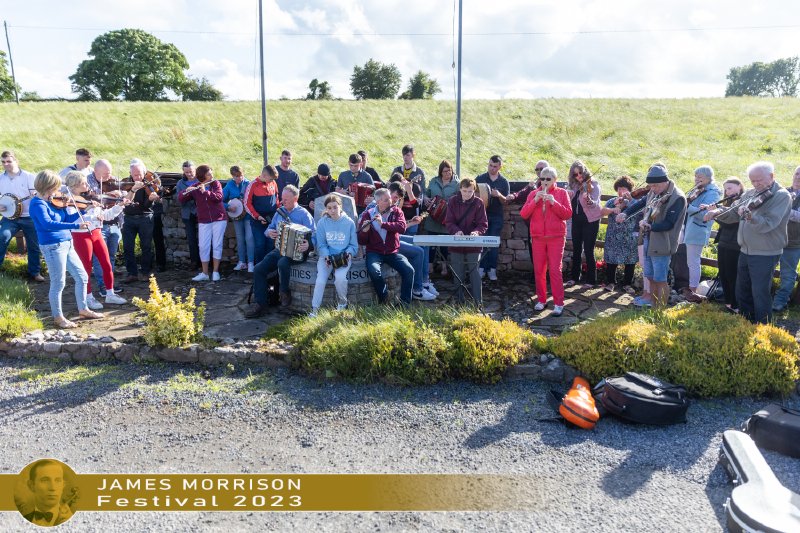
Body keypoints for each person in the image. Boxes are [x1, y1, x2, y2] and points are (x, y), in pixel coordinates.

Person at [28, 170, 103, 328]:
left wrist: (84, 209)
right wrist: (76, 226)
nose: (58, 190)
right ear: (47, 186)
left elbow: (67, 218)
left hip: (67, 243)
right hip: (52, 246)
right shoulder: (37, 204)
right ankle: (58, 317)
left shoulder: (53, 201)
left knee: (82, 277)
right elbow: (48, 224)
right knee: (58, 283)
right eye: (55, 187)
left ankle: (83, 309)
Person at [617, 164, 686, 308]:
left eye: (655, 186)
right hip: (648, 239)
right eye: (651, 186)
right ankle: (653, 305)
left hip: (663, 243)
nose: (652, 189)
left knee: (660, 279)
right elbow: (642, 202)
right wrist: (626, 213)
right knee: (650, 276)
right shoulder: (654, 192)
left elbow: (670, 223)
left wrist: (650, 226)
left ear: (664, 181)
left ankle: (659, 310)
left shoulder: (677, 197)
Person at [730, 162, 791, 323]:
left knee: (760, 292)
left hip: (765, 252)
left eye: (759, 180)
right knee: (742, 290)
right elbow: (734, 210)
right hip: (745, 250)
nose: (756, 184)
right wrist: (717, 211)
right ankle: (746, 323)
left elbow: (769, 223)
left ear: (771, 176)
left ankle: (763, 326)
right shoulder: (751, 193)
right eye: (752, 181)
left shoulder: (782, 196)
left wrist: (751, 217)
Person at [246, 185, 315, 317]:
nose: (282, 202)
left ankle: (284, 293)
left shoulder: (304, 214)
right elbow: (269, 228)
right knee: (259, 269)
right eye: (282, 198)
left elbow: (315, 234)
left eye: (286, 199)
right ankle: (261, 305)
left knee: (282, 262)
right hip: (280, 249)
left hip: (297, 252)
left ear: (295, 199)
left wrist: (309, 244)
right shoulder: (279, 212)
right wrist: (269, 232)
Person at [63, 171, 127, 309]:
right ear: (75, 185)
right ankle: (88, 297)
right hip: (81, 235)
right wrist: (89, 211)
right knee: (86, 267)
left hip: (96, 233)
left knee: (106, 263)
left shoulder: (90, 197)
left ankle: (110, 294)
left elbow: (106, 216)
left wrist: (119, 206)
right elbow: (72, 220)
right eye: (84, 183)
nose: (87, 185)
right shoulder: (68, 201)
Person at [520, 166, 573, 316]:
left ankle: (558, 303)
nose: (544, 181)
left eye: (548, 179)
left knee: (555, 270)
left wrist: (554, 202)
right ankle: (541, 300)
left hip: (556, 237)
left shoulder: (561, 193)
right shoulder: (533, 194)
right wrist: (535, 201)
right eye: (542, 178)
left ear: (555, 180)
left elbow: (567, 214)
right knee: (539, 270)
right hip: (538, 237)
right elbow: (524, 214)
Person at [357, 188, 415, 305]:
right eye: (386, 199)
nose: (390, 201)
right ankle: (384, 298)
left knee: (409, 270)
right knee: (374, 271)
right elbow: (361, 241)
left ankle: (404, 303)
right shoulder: (368, 214)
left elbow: (402, 227)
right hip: (374, 252)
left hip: (392, 252)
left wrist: (383, 224)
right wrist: (365, 231)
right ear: (378, 202)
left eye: (389, 198)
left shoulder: (396, 211)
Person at [383, 182, 436, 300]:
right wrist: (410, 223)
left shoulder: (393, 207)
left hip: (395, 236)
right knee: (418, 251)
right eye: (395, 197)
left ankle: (424, 281)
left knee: (424, 243)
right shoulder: (381, 205)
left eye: (398, 198)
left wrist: (412, 222)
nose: (396, 200)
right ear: (388, 192)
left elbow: (398, 227)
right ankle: (417, 289)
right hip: (388, 242)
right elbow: (389, 229)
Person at [701, 177, 746, 313]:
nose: (727, 192)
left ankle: (735, 304)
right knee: (724, 274)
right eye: (726, 189)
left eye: (730, 188)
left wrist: (715, 213)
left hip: (735, 244)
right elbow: (724, 222)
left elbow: (731, 223)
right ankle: (728, 302)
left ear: (740, 186)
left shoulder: (743, 202)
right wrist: (714, 211)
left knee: (732, 275)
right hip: (724, 242)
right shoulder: (728, 202)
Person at [310, 194, 358, 317]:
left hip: (343, 257)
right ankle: (314, 310)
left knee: (340, 278)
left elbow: (353, 245)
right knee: (320, 281)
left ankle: (342, 303)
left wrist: (349, 254)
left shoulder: (349, 223)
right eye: (329, 208)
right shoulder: (322, 223)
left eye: (335, 207)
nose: (332, 211)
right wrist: (326, 256)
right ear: (326, 209)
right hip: (326, 257)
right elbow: (321, 244)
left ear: (340, 206)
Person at [0, 150, 43, 281]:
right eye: (3, 162)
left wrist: (36, 196)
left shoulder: (29, 177)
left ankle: (34, 273)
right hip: (10, 217)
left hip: (29, 216)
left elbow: (39, 195)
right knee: (2, 237)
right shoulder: (1, 178)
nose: (6, 164)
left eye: (9, 161)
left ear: (16, 161)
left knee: (34, 245)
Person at [179, 165, 226, 282]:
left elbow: (219, 197)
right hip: (204, 220)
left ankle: (215, 271)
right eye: (209, 174)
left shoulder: (216, 184)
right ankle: (204, 273)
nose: (212, 175)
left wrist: (206, 192)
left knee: (217, 245)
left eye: (211, 173)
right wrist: (186, 191)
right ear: (202, 176)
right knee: (203, 246)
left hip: (219, 218)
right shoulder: (195, 186)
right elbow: (180, 199)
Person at [445, 177, 488, 305]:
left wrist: (477, 232)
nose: (467, 194)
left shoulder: (479, 203)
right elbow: (449, 221)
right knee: (457, 274)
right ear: (460, 189)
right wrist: (456, 231)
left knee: (475, 274)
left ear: (474, 190)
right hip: (456, 243)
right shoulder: (452, 201)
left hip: (474, 244)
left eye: (470, 191)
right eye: (464, 191)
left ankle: (477, 303)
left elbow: (483, 223)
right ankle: (459, 303)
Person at [85, 159, 125, 298]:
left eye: (109, 173)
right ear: (95, 171)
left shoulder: (113, 180)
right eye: (105, 174)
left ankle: (110, 284)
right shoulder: (87, 181)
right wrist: (110, 194)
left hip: (115, 223)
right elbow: (93, 198)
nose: (109, 177)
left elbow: (124, 194)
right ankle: (102, 285)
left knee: (111, 256)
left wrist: (122, 194)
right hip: (99, 225)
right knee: (99, 257)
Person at [682, 165, 721, 302]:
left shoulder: (713, 193)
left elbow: (704, 215)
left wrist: (688, 206)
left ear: (709, 178)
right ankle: (685, 286)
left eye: (700, 177)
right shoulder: (698, 190)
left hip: (698, 230)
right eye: (696, 176)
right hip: (688, 228)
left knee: (693, 261)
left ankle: (693, 291)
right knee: (687, 260)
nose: (697, 179)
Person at [507, 160, 550, 281]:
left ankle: (547, 275)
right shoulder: (533, 185)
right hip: (534, 224)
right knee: (533, 249)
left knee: (548, 250)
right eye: (537, 169)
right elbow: (522, 193)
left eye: (542, 169)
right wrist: (513, 196)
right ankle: (537, 274)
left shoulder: (554, 185)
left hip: (548, 225)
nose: (539, 171)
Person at [121, 159, 160, 283]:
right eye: (134, 175)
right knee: (128, 247)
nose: (137, 177)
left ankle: (145, 272)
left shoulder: (149, 185)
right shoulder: (125, 184)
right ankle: (132, 273)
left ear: (144, 173)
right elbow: (124, 203)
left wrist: (151, 199)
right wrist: (133, 189)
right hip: (128, 218)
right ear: (130, 173)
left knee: (146, 246)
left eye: (140, 174)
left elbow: (146, 207)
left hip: (145, 217)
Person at [599, 176, 640, 293]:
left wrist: (630, 201)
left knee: (630, 261)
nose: (621, 191)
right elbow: (602, 212)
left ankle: (627, 284)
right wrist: (613, 209)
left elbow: (641, 212)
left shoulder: (634, 202)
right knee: (611, 260)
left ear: (629, 190)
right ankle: (611, 282)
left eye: (624, 188)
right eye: (619, 189)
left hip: (629, 236)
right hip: (613, 236)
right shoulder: (612, 201)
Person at [566, 160, 602, 288]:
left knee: (588, 249)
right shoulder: (574, 186)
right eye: (575, 174)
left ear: (585, 171)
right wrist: (569, 194)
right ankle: (575, 277)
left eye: (580, 173)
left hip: (591, 221)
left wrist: (589, 199)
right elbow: (569, 202)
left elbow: (595, 203)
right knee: (576, 249)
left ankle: (591, 280)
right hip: (577, 220)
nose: (579, 176)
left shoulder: (594, 185)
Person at [476, 154, 509, 281]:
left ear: (500, 167)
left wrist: (499, 195)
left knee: (493, 244)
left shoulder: (503, 182)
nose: (492, 168)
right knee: (482, 243)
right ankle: (481, 268)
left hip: (496, 216)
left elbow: (506, 202)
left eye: (495, 166)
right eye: (490, 165)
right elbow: (472, 194)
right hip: (481, 216)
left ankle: (492, 269)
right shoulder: (480, 178)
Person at [772, 165, 800, 312]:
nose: (798, 177)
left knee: (788, 275)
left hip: (793, 243)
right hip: (773, 240)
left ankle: (779, 302)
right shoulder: (783, 192)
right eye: (797, 174)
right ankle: (764, 297)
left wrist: (783, 210)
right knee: (765, 270)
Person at [425, 159, 460, 276]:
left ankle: (444, 267)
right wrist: (426, 199)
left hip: (447, 219)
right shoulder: (433, 181)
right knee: (431, 244)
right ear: (440, 172)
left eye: (449, 170)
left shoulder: (457, 184)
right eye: (445, 171)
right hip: (433, 219)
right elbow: (426, 193)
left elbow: (460, 200)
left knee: (445, 245)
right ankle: (430, 266)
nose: (447, 173)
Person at [244, 164, 280, 264]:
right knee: (260, 244)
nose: (272, 181)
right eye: (271, 179)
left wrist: (277, 215)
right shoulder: (252, 185)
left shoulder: (273, 183)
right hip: (257, 221)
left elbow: (277, 200)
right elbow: (246, 204)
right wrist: (257, 216)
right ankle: (259, 268)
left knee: (270, 244)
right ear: (264, 175)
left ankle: (269, 268)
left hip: (271, 221)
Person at [22, 460, 74, 526]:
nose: (53, 488)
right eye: (45, 480)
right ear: (31, 486)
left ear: (63, 486)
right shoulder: (23, 520)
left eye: (58, 480)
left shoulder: (70, 521)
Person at [223, 165, 255, 272]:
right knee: (240, 239)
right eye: (236, 176)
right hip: (236, 217)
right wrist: (228, 207)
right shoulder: (229, 185)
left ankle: (251, 262)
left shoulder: (248, 184)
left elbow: (254, 199)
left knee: (249, 238)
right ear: (232, 176)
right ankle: (242, 262)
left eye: (240, 175)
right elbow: (220, 200)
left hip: (248, 216)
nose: (239, 178)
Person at [174, 161, 201, 269]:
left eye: (191, 171)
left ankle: (207, 261)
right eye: (187, 172)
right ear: (183, 172)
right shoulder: (180, 183)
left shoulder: (201, 180)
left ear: (195, 170)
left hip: (200, 212)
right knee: (191, 238)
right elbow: (178, 199)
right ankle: (194, 261)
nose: (189, 174)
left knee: (204, 238)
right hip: (187, 213)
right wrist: (186, 193)